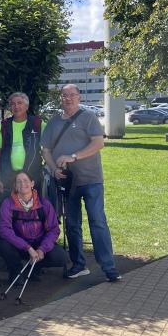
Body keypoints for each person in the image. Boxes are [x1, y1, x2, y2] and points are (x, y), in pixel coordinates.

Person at [41, 84, 121, 282]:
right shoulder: (53, 122)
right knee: (72, 224)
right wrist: (53, 169)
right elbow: (45, 150)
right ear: (61, 98)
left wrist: (73, 156)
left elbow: (98, 143)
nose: (68, 98)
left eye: (72, 95)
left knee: (97, 222)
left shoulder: (88, 117)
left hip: (91, 180)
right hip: (68, 183)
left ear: (79, 97)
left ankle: (109, 267)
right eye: (64, 95)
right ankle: (79, 265)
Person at [0, 171, 67, 284]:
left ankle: (34, 268)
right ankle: (16, 271)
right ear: (15, 186)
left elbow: (54, 230)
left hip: (39, 245)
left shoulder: (44, 204)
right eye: (18, 181)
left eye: (25, 180)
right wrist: (27, 247)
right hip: (19, 246)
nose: (22, 184)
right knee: (3, 245)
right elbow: (4, 230)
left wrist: (42, 249)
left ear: (32, 183)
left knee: (61, 257)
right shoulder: (8, 203)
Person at [0, 92, 42, 196]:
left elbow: (48, 149)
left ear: (26, 106)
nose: (16, 106)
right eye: (13, 104)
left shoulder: (38, 124)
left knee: (32, 210)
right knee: (9, 209)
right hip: (8, 179)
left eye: (20, 103)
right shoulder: (3, 126)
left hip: (32, 178)